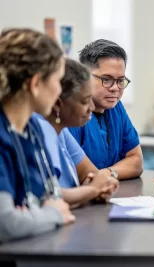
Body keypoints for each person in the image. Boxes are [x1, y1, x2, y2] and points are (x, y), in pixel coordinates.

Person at [0, 28, 75, 243]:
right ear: (35, 84)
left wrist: (41, 214)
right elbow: (6, 223)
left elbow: (53, 197)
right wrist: (52, 215)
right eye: (58, 81)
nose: (60, 91)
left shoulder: (33, 128)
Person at [36, 58, 119, 207]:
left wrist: (100, 185)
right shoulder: (40, 131)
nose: (92, 107)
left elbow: (92, 174)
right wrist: (92, 190)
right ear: (58, 103)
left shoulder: (62, 132)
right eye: (85, 101)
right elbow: (48, 196)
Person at [68, 39, 143, 180]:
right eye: (106, 79)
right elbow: (74, 173)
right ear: (84, 76)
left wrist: (108, 174)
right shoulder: (71, 113)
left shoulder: (116, 108)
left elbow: (136, 161)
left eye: (120, 80)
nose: (115, 88)